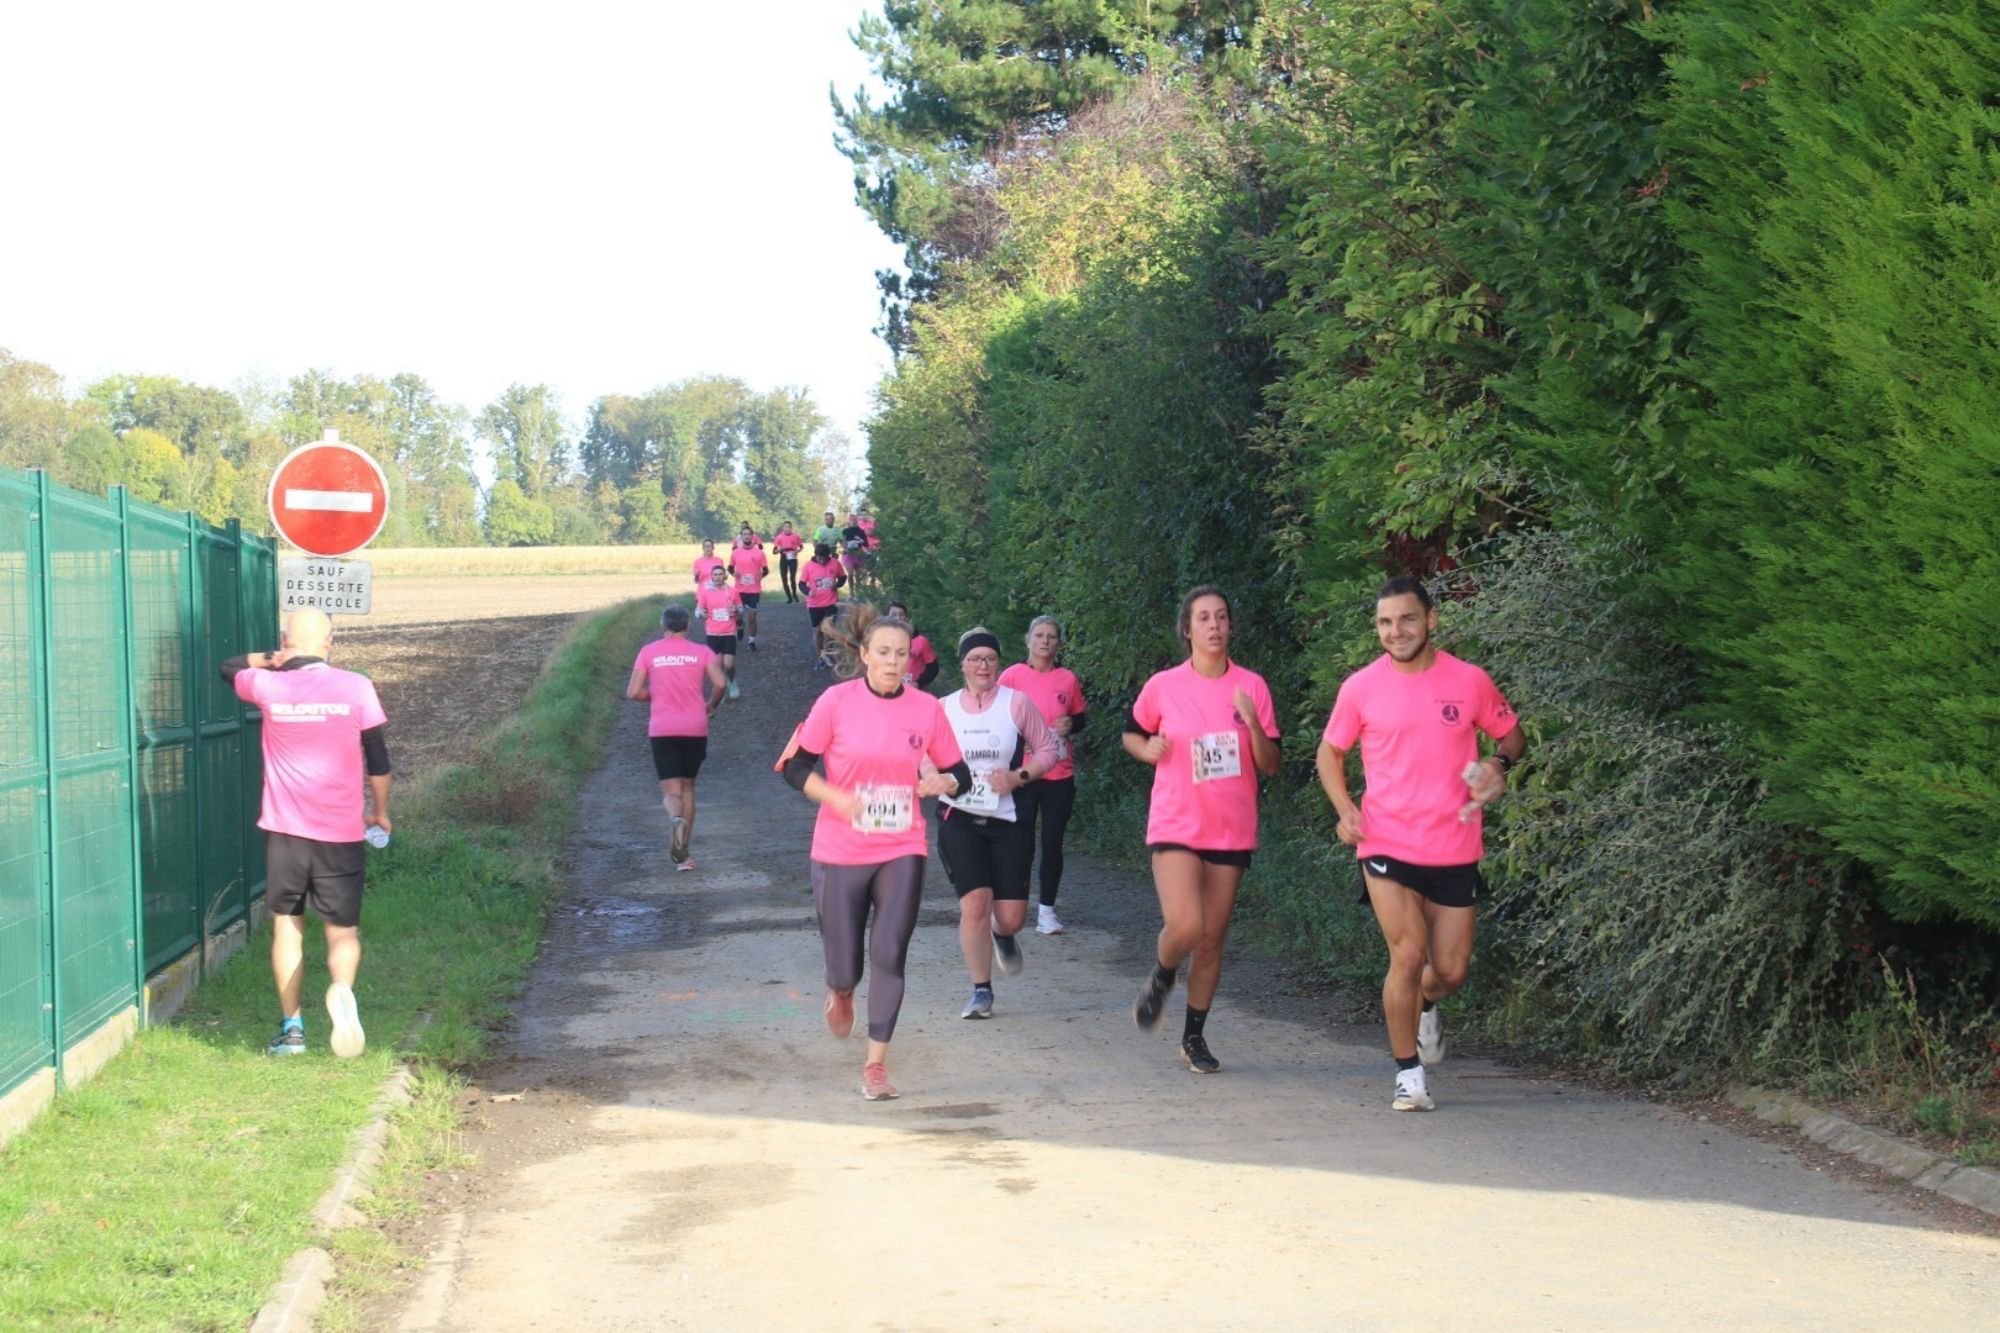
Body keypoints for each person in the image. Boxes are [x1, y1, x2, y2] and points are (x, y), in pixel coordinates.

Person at [1316, 574, 1524, 1113]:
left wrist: (1498, 765)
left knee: (1450, 971)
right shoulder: (1360, 687)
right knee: (1407, 954)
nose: (1396, 631)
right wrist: (1345, 809)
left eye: (1407, 619)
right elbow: (1329, 752)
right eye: (1385, 623)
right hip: (1385, 841)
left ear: (1430, 620)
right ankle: (1408, 1075)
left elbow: (1511, 734)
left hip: (1454, 844)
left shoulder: (1469, 680)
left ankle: (1427, 1003)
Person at [779, 605, 972, 1100]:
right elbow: (795, 767)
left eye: (902, 654)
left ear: (911, 660)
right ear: (864, 655)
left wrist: (943, 782)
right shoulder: (835, 702)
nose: (893, 662)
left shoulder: (926, 709)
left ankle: (875, 1067)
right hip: (840, 848)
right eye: (883, 652)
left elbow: (961, 775)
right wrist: (836, 798)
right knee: (847, 967)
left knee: (890, 952)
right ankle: (840, 989)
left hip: (901, 845)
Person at [219, 608, 390, 1060]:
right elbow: (378, 757)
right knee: (342, 930)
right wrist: (381, 812)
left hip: (286, 832)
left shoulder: (268, 686)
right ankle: (342, 992)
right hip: (341, 832)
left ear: (285, 640)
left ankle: (292, 1030)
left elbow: (228, 667)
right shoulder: (356, 686)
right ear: (330, 642)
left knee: (288, 926)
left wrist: (271, 658)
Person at [1123, 586, 1280, 1075]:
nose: (1214, 625)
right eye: (1204, 618)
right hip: (1176, 821)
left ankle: (1193, 1037)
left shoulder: (1251, 686)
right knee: (1187, 925)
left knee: (1211, 939)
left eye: (1221, 617)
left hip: (1230, 828)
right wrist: (1145, 749)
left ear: (1230, 626)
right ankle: (1163, 973)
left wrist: (1252, 723)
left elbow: (1271, 763)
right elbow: (1132, 732)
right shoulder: (1164, 685)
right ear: (1187, 629)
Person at [937, 628, 1060, 1019]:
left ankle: (1001, 933)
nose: (983, 665)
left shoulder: (1016, 703)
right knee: (975, 902)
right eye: (975, 658)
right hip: (959, 817)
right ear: (962, 664)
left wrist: (1017, 777)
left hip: (1009, 819)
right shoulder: (943, 708)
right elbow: (923, 756)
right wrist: (939, 779)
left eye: (990, 658)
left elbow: (1049, 750)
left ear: (999, 664)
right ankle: (981, 991)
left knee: (1010, 918)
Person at [1001, 616, 1089, 936]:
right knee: (1021, 844)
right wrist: (1015, 739)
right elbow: (996, 716)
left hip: (1059, 774)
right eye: (1039, 635)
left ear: (1059, 643)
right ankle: (1014, 908)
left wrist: (1071, 725)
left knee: (1052, 843)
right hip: (1024, 773)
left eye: (1051, 636)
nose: (1045, 641)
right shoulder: (1012, 676)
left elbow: (1080, 717)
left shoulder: (1067, 679)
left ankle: (1047, 912)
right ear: (1028, 640)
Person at [627, 604, 728, 871]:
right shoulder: (702, 652)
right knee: (688, 788)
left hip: (663, 728)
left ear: (663, 626)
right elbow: (720, 683)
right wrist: (711, 705)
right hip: (695, 726)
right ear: (688, 625)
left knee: (672, 791)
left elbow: (633, 692)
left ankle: (675, 819)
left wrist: (654, 695)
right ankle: (683, 854)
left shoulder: (649, 652)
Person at [695, 561, 743, 700]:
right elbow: (697, 611)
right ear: (712, 577)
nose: (717, 577)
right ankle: (720, 690)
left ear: (725, 576)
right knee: (716, 665)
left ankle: (732, 682)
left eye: (720, 574)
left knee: (729, 664)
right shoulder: (705, 592)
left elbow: (740, 609)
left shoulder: (733, 591)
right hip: (712, 633)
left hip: (729, 632)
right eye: (715, 575)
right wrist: (701, 614)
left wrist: (736, 610)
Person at [801, 542, 846, 668]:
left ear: (828, 556)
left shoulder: (835, 563)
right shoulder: (808, 566)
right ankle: (820, 657)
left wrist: (837, 584)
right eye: (819, 558)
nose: (821, 560)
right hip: (814, 604)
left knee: (829, 630)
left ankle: (828, 654)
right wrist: (807, 591)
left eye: (824, 558)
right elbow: (801, 584)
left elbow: (843, 577)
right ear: (815, 555)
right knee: (818, 631)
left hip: (831, 602)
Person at [730, 532, 769, 651]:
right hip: (739, 590)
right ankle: (740, 626)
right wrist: (734, 574)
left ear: (753, 537)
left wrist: (760, 577)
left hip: (754, 591)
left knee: (752, 618)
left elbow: (766, 570)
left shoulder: (759, 553)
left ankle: (751, 641)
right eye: (744, 535)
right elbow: (730, 567)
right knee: (737, 615)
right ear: (741, 537)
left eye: (749, 535)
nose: (747, 536)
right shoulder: (735, 552)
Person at [887, 601, 939, 690]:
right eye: (893, 615)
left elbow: (933, 668)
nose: (898, 618)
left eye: (901, 615)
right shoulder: (880, 641)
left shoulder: (920, 641)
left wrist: (918, 683)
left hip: (911, 692)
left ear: (906, 619)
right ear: (887, 618)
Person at [840, 513, 870, 596]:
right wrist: (846, 548)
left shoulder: (861, 531)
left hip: (858, 555)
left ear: (857, 520)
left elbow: (866, 544)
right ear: (848, 521)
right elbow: (842, 542)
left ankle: (858, 592)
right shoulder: (845, 531)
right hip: (848, 555)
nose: (853, 521)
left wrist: (863, 551)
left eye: (854, 519)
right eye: (851, 519)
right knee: (850, 574)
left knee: (858, 575)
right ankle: (851, 592)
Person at [773, 522, 804, 602]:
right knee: (784, 578)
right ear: (783, 528)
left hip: (793, 557)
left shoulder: (796, 536)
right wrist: (780, 549)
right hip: (784, 557)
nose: (786, 529)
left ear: (791, 528)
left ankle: (795, 595)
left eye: (788, 527)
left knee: (792, 577)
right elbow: (774, 551)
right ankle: (789, 597)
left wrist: (797, 551)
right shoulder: (779, 537)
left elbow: (801, 547)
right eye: (785, 527)